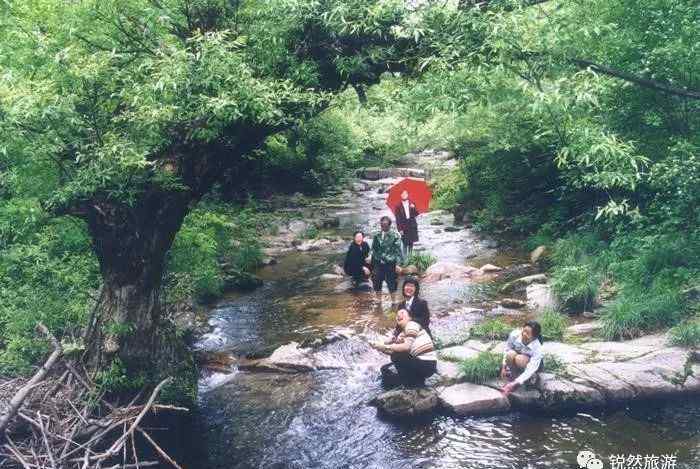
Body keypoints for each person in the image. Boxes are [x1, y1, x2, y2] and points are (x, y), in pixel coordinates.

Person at [372, 309, 437, 387]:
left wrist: (386, 346)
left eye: (402, 313)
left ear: (409, 318)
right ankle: (413, 381)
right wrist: (379, 348)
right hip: (425, 365)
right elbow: (392, 351)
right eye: (397, 315)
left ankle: (409, 383)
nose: (399, 315)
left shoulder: (411, 325)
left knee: (397, 356)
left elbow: (406, 347)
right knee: (388, 366)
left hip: (427, 365)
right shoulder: (403, 333)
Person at [500, 320, 544, 396]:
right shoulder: (514, 334)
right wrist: (503, 367)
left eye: (528, 333)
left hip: (530, 365)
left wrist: (515, 383)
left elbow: (531, 368)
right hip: (517, 357)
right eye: (524, 331)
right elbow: (507, 349)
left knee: (519, 359)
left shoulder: (537, 347)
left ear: (534, 337)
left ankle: (527, 379)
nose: (524, 334)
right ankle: (513, 378)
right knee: (510, 354)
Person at [370, 216, 403, 302]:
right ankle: (378, 301)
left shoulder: (395, 235)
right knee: (377, 281)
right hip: (378, 263)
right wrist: (371, 257)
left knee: (391, 283)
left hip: (390, 263)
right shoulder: (377, 235)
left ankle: (393, 301)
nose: (383, 227)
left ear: (389, 225)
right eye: (382, 225)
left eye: (385, 225)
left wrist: (398, 264)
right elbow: (373, 248)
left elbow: (398, 250)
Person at [394, 189, 419, 257]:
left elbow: (416, 214)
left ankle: (410, 257)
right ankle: (405, 259)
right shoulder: (398, 206)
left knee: (411, 242)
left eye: (405, 194)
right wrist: (400, 229)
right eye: (403, 194)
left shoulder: (412, 203)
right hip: (404, 225)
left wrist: (413, 208)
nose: (404, 195)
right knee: (405, 243)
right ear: (401, 195)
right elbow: (397, 219)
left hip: (412, 224)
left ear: (407, 195)